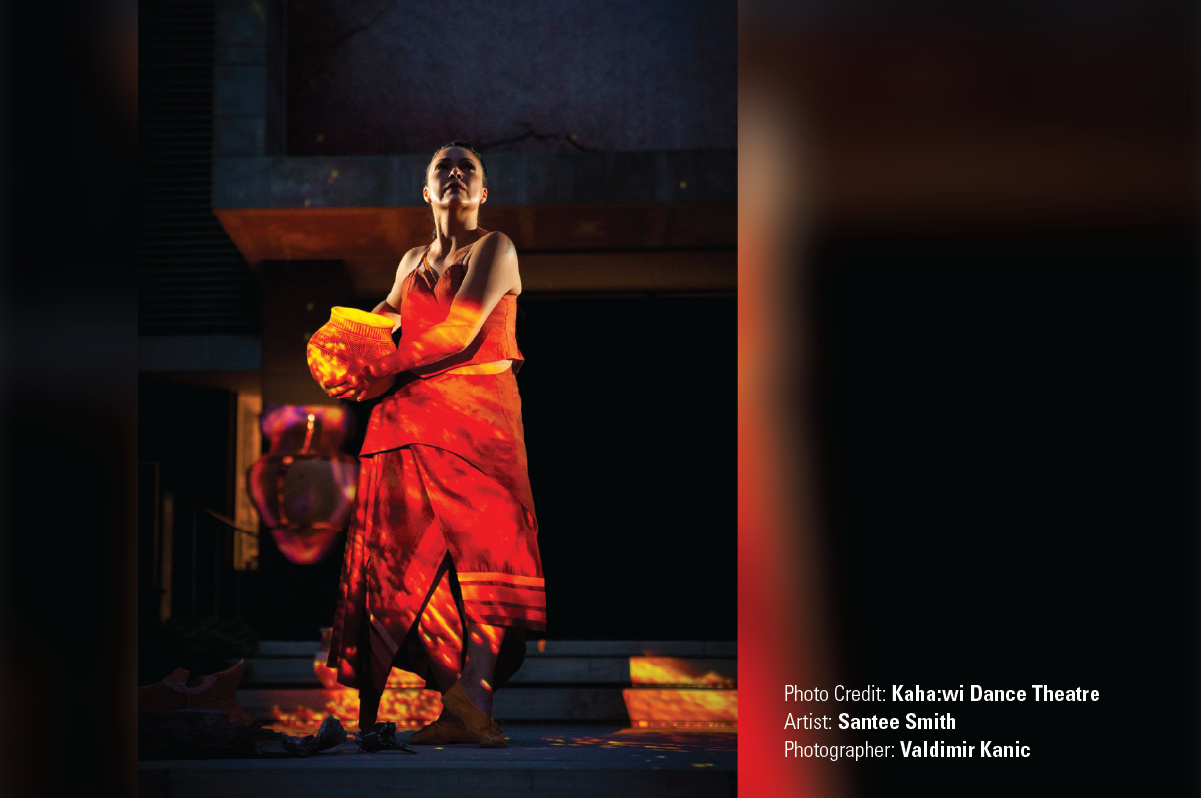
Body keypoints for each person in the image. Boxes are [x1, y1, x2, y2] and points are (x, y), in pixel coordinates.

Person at [322, 142, 545, 748]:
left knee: (484, 556)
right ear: (426, 192)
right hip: (410, 420)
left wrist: (380, 363)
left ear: (481, 192)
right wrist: (342, 345)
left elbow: (457, 328)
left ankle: (476, 693)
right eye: (441, 168)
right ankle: (458, 703)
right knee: (409, 556)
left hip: (479, 419)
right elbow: (382, 317)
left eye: (465, 169)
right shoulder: (412, 259)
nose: (453, 174)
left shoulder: (495, 248)